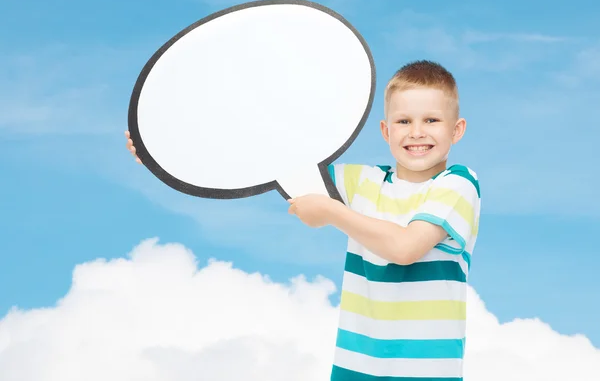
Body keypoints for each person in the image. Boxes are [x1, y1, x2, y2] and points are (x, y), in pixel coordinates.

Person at [125, 60, 480, 380]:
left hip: (428, 374)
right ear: (386, 131)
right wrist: (164, 150)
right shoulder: (363, 181)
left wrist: (331, 212)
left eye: (431, 120)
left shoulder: (459, 185)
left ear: (457, 129)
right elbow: (267, 161)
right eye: (404, 121)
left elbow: (405, 247)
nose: (417, 132)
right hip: (355, 370)